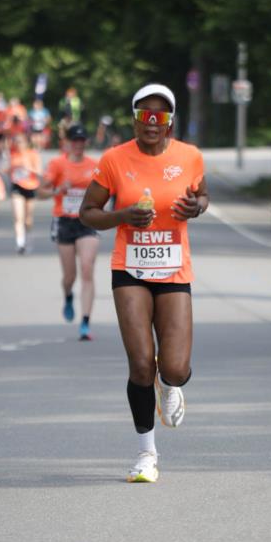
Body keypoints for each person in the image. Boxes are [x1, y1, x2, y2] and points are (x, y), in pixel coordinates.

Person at [79, 84, 209, 483]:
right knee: (139, 365)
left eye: (161, 116)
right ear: (134, 117)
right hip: (130, 270)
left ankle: (171, 385)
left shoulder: (189, 156)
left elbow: (203, 196)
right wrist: (123, 216)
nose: (153, 122)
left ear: (170, 121)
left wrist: (197, 207)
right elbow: (87, 212)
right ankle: (146, 455)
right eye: (145, 114)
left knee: (173, 366)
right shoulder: (115, 160)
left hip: (173, 271)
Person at [38, 124, 100, 340]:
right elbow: (40, 192)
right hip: (64, 221)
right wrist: (57, 190)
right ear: (66, 143)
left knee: (87, 268)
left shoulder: (94, 166)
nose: (78, 144)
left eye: (82, 140)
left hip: (87, 221)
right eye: (74, 140)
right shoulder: (57, 164)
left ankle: (85, 322)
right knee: (69, 276)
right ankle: (67, 295)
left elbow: (106, 191)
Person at [8, 132, 42, 254]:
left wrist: (28, 168)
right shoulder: (13, 155)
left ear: (26, 143)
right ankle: (20, 243)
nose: (18, 144)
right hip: (17, 186)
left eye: (20, 142)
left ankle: (28, 238)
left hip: (31, 187)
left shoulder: (33, 154)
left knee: (28, 220)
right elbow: (9, 170)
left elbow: (39, 172)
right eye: (16, 142)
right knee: (18, 217)